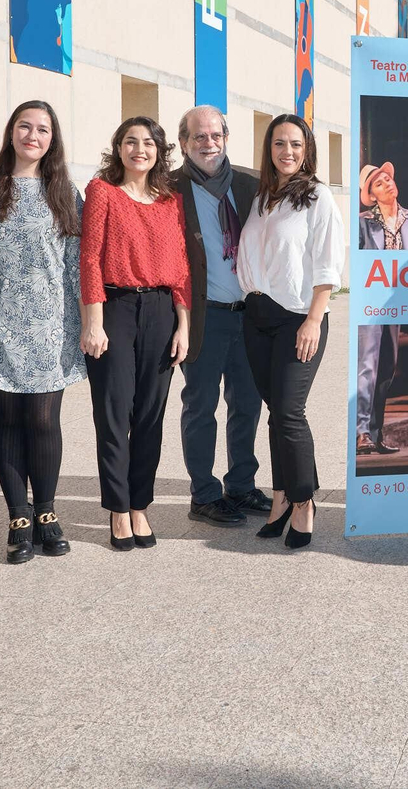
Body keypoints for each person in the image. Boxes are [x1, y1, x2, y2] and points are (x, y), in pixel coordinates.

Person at [0, 100, 84, 564]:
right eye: (25, 126)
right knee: (6, 421)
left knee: (44, 420)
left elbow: (76, 264)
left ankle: (46, 513)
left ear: (53, 139)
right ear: (11, 132)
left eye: (43, 129)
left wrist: (88, 323)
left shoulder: (64, 191)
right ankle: (18, 518)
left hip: (52, 326)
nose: (33, 135)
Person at [80, 118, 191, 550]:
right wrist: (93, 321)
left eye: (148, 143)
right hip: (116, 308)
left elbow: (181, 268)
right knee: (114, 412)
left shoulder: (170, 201)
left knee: (149, 414)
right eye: (131, 141)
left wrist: (183, 325)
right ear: (118, 148)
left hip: (162, 311)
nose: (139, 149)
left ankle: (140, 504)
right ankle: (118, 508)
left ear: (160, 151)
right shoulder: (102, 192)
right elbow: (89, 259)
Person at [237, 114, 345, 550]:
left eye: (296, 144)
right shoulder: (262, 196)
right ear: (269, 149)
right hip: (256, 316)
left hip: (298, 317)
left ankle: (303, 501)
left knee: (289, 410)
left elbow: (327, 264)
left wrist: (314, 320)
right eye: (279, 143)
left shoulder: (317, 197)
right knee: (275, 411)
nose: (287, 151)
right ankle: (281, 495)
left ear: (308, 150)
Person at [171, 105, 272, 527]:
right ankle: (204, 494)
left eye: (216, 135)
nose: (208, 143)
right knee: (200, 406)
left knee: (247, 404)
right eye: (199, 137)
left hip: (247, 315)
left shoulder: (251, 184)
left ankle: (241, 486)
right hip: (202, 317)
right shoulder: (169, 188)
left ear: (226, 138)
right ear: (183, 143)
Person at [355, 161, 408, 455]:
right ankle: (361, 433)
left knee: (386, 367)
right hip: (370, 301)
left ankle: (375, 433)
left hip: (396, 303)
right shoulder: (363, 221)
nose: (387, 184)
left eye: (388, 179)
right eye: (379, 183)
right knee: (367, 367)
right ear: (371, 195)